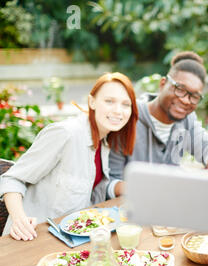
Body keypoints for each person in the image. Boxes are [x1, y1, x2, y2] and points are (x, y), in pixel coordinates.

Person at [0, 72, 138, 241]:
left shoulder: (104, 143)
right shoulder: (66, 133)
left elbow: (90, 187)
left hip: (73, 239)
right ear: (92, 102)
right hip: (32, 238)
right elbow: (13, 178)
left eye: (126, 104)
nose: (118, 111)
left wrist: (128, 188)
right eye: (109, 101)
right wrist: (19, 219)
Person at [108, 51, 208, 198]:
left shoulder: (186, 121)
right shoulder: (128, 117)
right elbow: (109, 182)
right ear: (163, 84)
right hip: (126, 211)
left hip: (168, 209)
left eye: (194, 96)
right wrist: (149, 188)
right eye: (180, 89)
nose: (186, 100)